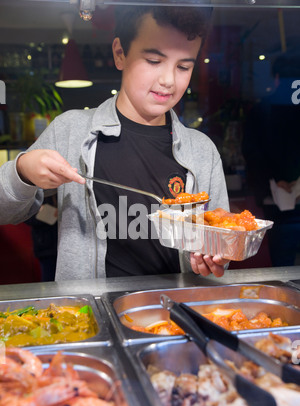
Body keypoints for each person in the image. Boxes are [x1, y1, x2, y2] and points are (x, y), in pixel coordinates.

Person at [0, 6, 229, 281]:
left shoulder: (202, 151)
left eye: (183, 67)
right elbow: (6, 211)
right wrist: (23, 171)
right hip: (92, 317)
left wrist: (214, 256)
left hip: (175, 314)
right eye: (154, 61)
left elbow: (221, 246)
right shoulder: (71, 131)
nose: (168, 80)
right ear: (120, 53)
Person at [242, 53, 300, 266]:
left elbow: (251, 152)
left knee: (283, 266)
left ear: (275, 78)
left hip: (277, 200)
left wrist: (274, 179)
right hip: (281, 198)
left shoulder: (261, 109)